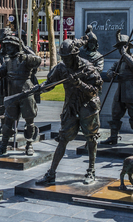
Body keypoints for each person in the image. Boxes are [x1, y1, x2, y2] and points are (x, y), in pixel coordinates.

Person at [36, 40, 103, 185]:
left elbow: (95, 90)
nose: (65, 60)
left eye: (67, 57)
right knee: (63, 138)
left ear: (75, 55)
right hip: (71, 107)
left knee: (91, 138)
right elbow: (50, 83)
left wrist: (79, 84)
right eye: (63, 57)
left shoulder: (88, 67)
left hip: (87, 106)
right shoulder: (60, 67)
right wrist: (41, 88)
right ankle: (51, 173)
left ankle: (91, 171)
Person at [0, 34, 42, 156]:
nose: (7, 49)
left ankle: (29, 144)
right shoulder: (7, 61)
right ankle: (3, 145)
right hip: (12, 94)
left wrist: (26, 50)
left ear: (16, 47)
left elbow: (38, 60)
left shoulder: (25, 58)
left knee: (29, 121)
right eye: (6, 46)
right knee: (8, 121)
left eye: (10, 46)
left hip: (26, 92)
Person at [101, 30, 133, 147]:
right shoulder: (119, 62)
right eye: (118, 47)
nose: (119, 49)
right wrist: (111, 74)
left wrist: (124, 53)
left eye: (121, 47)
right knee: (115, 114)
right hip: (121, 91)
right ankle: (113, 137)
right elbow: (109, 70)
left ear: (127, 47)